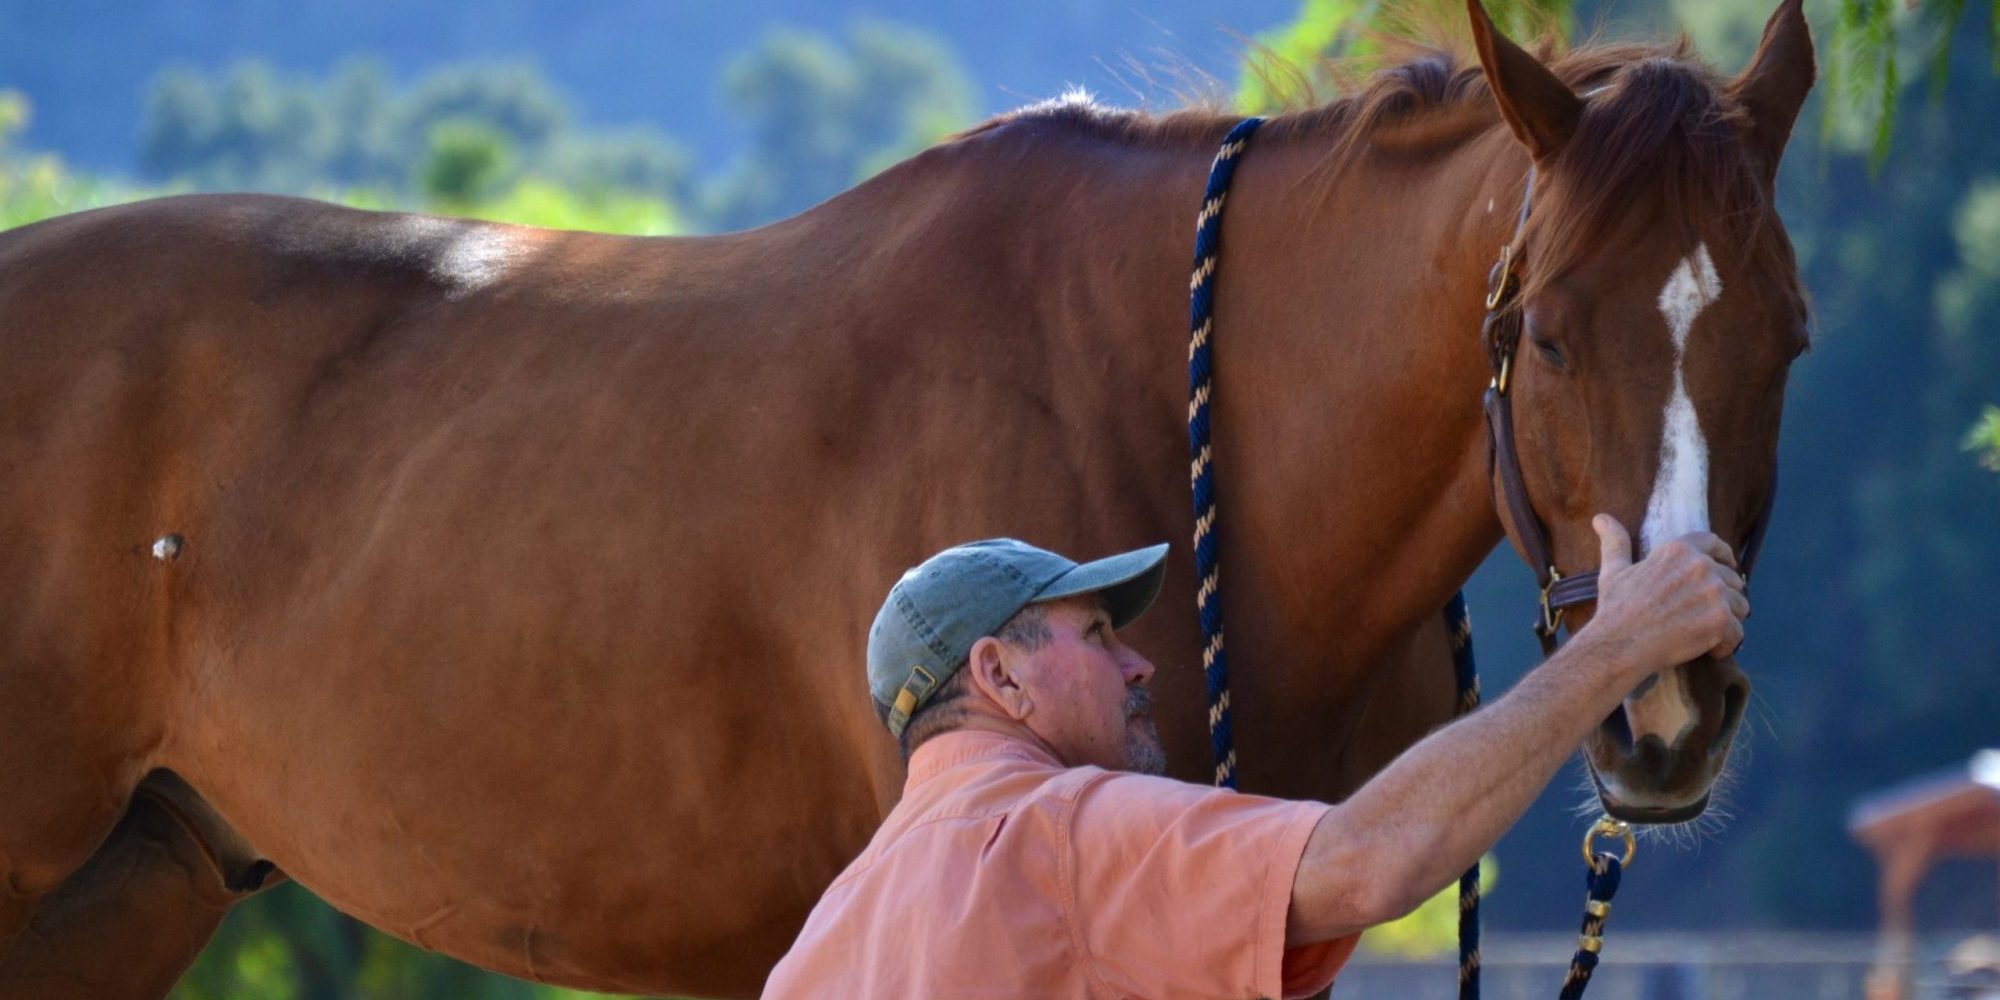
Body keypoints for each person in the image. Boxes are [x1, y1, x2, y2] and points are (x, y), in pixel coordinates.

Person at [763, 517, 1747, 999]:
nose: (1138, 662)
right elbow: (1371, 858)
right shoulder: (1055, 835)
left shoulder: (816, 949)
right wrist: (1613, 646)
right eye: (1097, 634)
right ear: (999, 676)